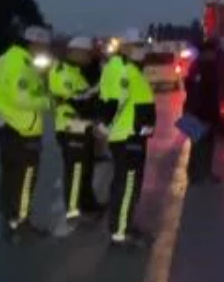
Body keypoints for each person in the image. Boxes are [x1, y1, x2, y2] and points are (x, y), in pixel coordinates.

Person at [0, 25, 53, 242]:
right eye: (43, 46)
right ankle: (21, 222)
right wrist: (47, 101)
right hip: (22, 128)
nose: (43, 50)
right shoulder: (21, 65)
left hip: (6, 125)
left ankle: (9, 217)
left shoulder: (2, 61)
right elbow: (23, 98)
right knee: (25, 178)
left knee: (10, 175)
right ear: (34, 43)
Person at [98, 28, 157, 248]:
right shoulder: (122, 70)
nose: (141, 50)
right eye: (137, 46)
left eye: (142, 46)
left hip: (131, 135)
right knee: (128, 185)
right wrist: (105, 129)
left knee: (125, 184)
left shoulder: (128, 68)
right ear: (125, 47)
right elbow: (115, 103)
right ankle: (121, 233)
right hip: (127, 136)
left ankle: (123, 226)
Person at [49, 35, 105, 224]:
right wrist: (96, 91)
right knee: (76, 170)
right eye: (87, 54)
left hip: (84, 127)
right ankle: (74, 212)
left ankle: (89, 205)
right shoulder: (62, 71)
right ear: (76, 52)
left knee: (87, 169)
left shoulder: (79, 71)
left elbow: (92, 98)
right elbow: (80, 101)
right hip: (70, 126)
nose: (89, 57)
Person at [182, 38, 221, 185]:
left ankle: (202, 174)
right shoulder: (202, 68)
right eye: (211, 52)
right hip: (200, 113)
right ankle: (197, 175)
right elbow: (198, 94)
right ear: (206, 53)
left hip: (202, 112)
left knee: (204, 146)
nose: (213, 54)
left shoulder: (201, 66)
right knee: (201, 146)